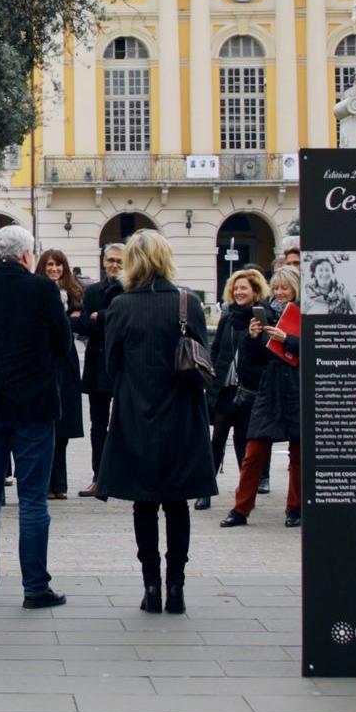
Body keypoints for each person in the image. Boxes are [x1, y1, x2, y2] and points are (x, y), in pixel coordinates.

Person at [0, 224, 77, 609]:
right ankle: (35, 586)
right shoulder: (43, 290)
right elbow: (63, 342)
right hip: (33, 405)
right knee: (32, 498)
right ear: (27, 256)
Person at [97, 229, 214, 615]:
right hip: (182, 412)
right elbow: (202, 357)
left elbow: (111, 363)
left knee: (143, 503)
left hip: (135, 412)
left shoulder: (121, 306)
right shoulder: (188, 302)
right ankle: (176, 587)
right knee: (177, 502)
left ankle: (150, 586)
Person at [222, 266, 304, 528]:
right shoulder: (264, 313)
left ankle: (295, 509)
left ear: (296, 290)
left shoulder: (305, 314)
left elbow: (317, 347)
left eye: (285, 288)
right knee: (254, 450)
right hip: (268, 390)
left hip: (297, 390)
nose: (280, 293)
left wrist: (287, 339)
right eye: (277, 288)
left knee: (298, 453)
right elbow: (252, 360)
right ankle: (240, 509)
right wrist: (252, 337)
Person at [204, 268, 269, 512]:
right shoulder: (228, 318)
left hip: (249, 391)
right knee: (216, 442)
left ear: (255, 291)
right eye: (236, 288)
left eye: (244, 288)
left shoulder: (260, 318)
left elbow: (264, 352)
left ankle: (244, 497)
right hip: (226, 390)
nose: (239, 292)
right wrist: (212, 374)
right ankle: (206, 491)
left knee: (245, 446)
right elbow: (216, 348)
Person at [34, 249, 87, 500]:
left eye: (59, 265)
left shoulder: (74, 292)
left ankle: (60, 484)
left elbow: (84, 322)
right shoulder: (37, 290)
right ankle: (46, 484)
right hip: (45, 357)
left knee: (64, 422)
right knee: (47, 422)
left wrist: (70, 322)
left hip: (66, 359)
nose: (55, 269)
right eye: (50, 265)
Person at [75, 244, 125, 497]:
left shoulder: (131, 289)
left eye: (119, 261)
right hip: (98, 363)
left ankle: (126, 474)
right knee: (98, 424)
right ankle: (99, 476)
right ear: (103, 262)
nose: (114, 265)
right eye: (110, 260)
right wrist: (96, 319)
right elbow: (84, 324)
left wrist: (101, 316)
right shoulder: (93, 290)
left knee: (127, 422)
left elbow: (125, 323)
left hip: (125, 365)